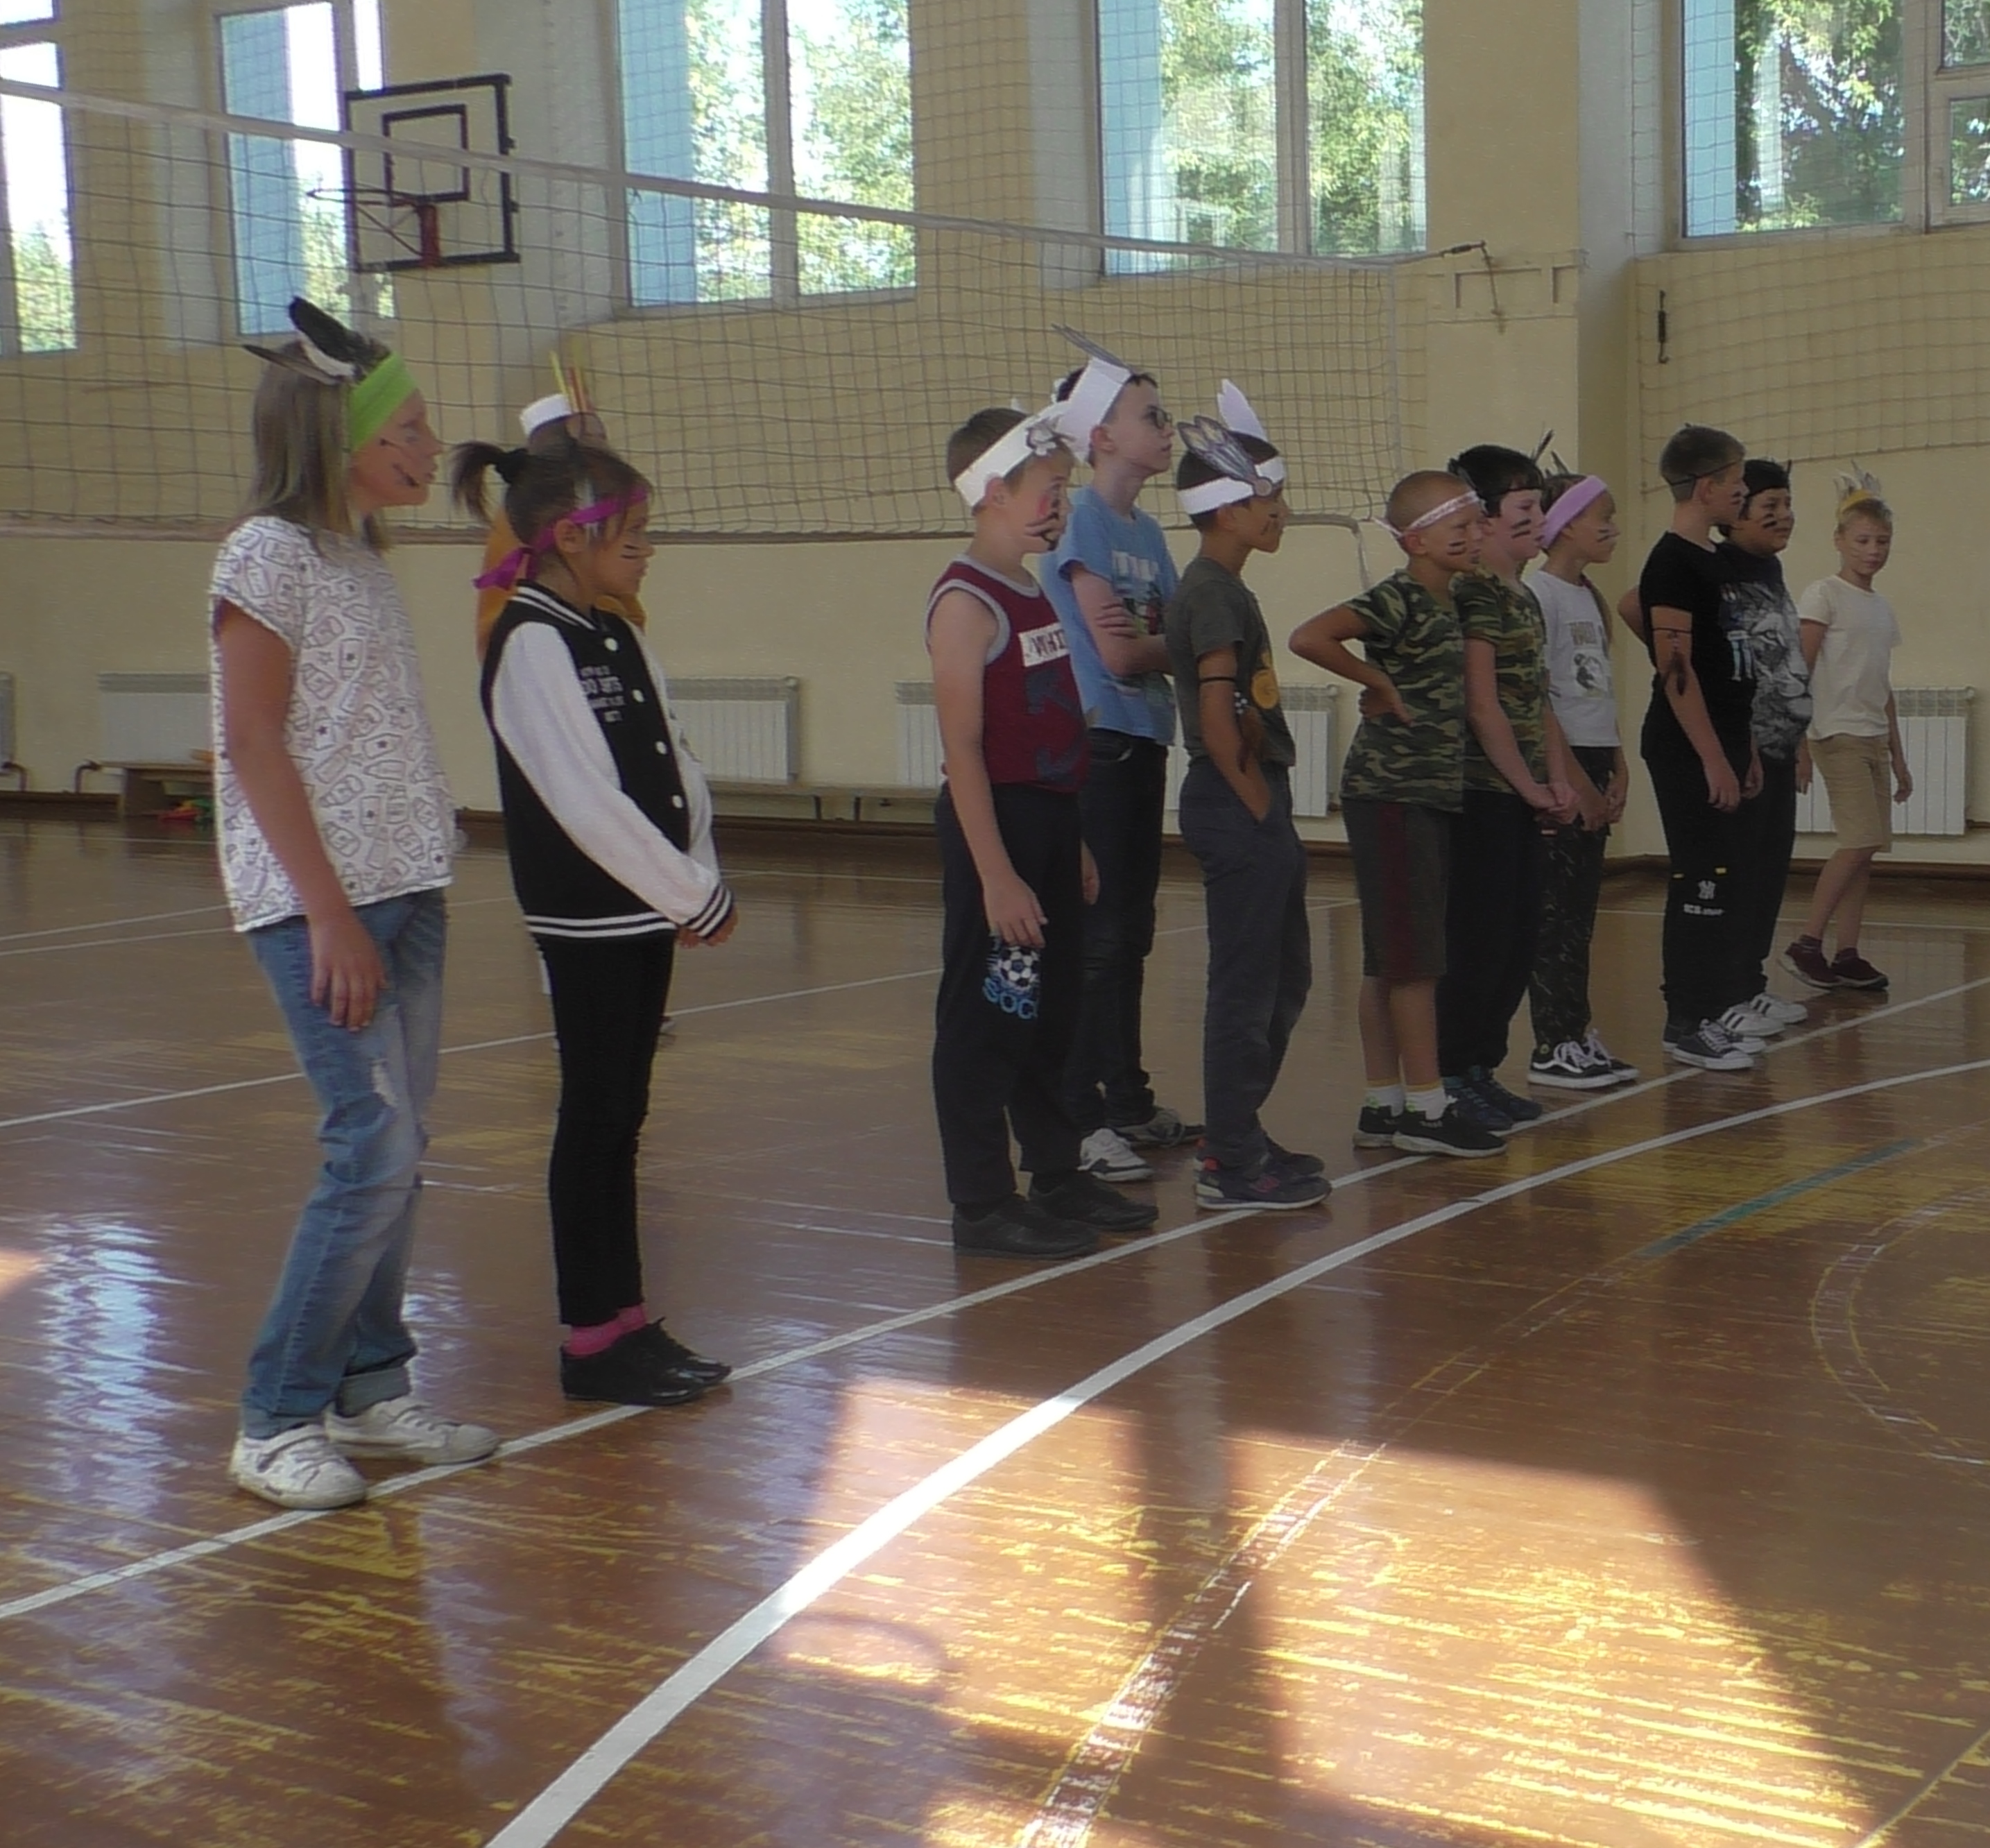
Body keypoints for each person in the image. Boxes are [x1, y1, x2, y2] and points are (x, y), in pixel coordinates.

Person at [212, 298, 497, 1510]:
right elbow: (254, 742)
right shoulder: (263, 557)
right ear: (342, 437)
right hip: (319, 905)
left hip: (407, 887)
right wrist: (327, 914)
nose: (431, 447)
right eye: (411, 429)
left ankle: (368, 1384)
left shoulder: (362, 561)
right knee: (368, 1145)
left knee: (402, 1149)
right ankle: (276, 1415)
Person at [460, 436, 738, 1407]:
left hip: (642, 914)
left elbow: (673, 764)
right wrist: (686, 894)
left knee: (624, 1116)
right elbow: (583, 801)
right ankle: (590, 1340)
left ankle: (626, 1321)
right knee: (594, 1117)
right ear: (569, 539)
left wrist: (697, 873)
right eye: (631, 533)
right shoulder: (531, 640)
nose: (647, 549)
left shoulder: (612, 631)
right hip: (587, 918)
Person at [928, 404, 1161, 1258]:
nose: (1060, 503)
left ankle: (1057, 1173)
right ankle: (981, 1201)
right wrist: (998, 876)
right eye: (1047, 488)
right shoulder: (965, 601)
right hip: (999, 827)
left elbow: (1053, 720)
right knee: (992, 1013)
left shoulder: (1031, 588)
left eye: (1064, 487)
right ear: (993, 490)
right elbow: (963, 750)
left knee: (1051, 1013)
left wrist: (1075, 842)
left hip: (1052, 823)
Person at [1289, 470, 1504, 1158]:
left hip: (1425, 794)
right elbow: (1309, 636)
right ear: (1415, 540)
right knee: (1414, 963)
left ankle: (1383, 1103)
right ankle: (1426, 1109)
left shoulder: (1452, 598)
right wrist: (1374, 680)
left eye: (1475, 524)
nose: (1472, 536)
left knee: (1391, 957)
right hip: (1391, 792)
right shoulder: (1399, 597)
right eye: (1458, 528)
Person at [1164, 387, 1330, 1210]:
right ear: (1229, 509)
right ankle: (1229, 1161)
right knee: (1245, 987)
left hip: (1251, 797)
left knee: (1283, 978)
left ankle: (1238, 1133)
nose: (1282, 512)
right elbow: (1214, 710)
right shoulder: (1213, 592)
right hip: (1236, 802)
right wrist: (1258, 807)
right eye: (1270, 499)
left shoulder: (1222, 587)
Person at [1042, 341, 1201, 1182]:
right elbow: (1122, 651)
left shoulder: (1146, 531)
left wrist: (1169, 642)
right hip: (1098, 741)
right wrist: (1176, 643)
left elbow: (1171, 633)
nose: (1167, 429)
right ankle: (1079, 1117)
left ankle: (1127, 1100)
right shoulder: (1082, 521)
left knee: (1131, 932)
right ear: (1099, 437)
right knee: (1097, 936)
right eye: (1151, 416)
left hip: (1145, 736)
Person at [1436, 445, 1579, 1133]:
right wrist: (1526, 786)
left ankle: (1482, 1068)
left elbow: (1536, 699)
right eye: (1525, 506)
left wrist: (1557, 779)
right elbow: (1482, 702)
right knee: (1478, 939)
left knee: (1519, 937)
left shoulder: (1523, 596)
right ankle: (1450, 1072)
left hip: (1521, 793)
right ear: (1485, 519)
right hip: (1481, 794)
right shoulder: (1473, 593)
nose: (1540, 518)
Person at [1636, 424, 1762, 1070]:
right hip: (1685, 747)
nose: (1743, 491)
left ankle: (1712, 1010)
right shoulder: (1671, 563)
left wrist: (1746, 749)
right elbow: (1676, 670)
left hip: (1728, 739)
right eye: (1736, 480)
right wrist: (1712, 757)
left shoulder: (1714, 560)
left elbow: (1729, 663)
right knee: (1699, 881)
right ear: (1706, 486)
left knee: (1726, 879)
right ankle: (1685, 1019)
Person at [1523, 472, 1638, 1090]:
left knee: (1580, 914)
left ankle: (1575, 1032)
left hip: (1594, 759)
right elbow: (1540, 699)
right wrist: (1574, 781)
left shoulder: (1590, 597)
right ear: (1565, 525)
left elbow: (1596, 690)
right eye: (1603, 517)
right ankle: (1553, 1043)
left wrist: (1616, 763)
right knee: (1557, 916)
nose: (1613, 528)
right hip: (1562, 766)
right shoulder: (1537, 595)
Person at [1783, 475, 1910, 992]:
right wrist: (1798, 744)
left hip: (1871, 735)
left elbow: (1881, 685)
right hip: (1836, 734)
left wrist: (1898, 756)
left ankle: (1847, 952)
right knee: (1856, 843)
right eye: (1862, 540)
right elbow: (1801, 669)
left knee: (1867, 848)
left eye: (1882, 541)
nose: (1873, 550)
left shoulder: (1881, 608)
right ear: (1839, 540)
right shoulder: (1824, 595)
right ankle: (1807, 942)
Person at [1719, 460, 1812, 1032]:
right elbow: (1639, 604)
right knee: (1740, 871)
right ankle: (1725, 988)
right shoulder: (1716, 568)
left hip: (1780, 745)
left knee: (1770, 870)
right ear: (1735, 512)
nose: (1783, 516)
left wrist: (1796, 738)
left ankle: (1749, 982)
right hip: (1744, 750)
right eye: (1769, 506)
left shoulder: (1770, 568)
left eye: (1786, 504)